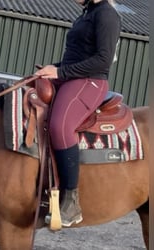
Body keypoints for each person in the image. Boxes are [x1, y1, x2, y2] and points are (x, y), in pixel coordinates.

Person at [35, 0, 121, 227]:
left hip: (90, 82)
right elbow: (74, 56)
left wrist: (60, 71)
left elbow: (103, 59)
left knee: (59, 126)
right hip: (70, 76)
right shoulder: (86, 14)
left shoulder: (106, 15)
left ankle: (71, 202)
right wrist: (51, 69)